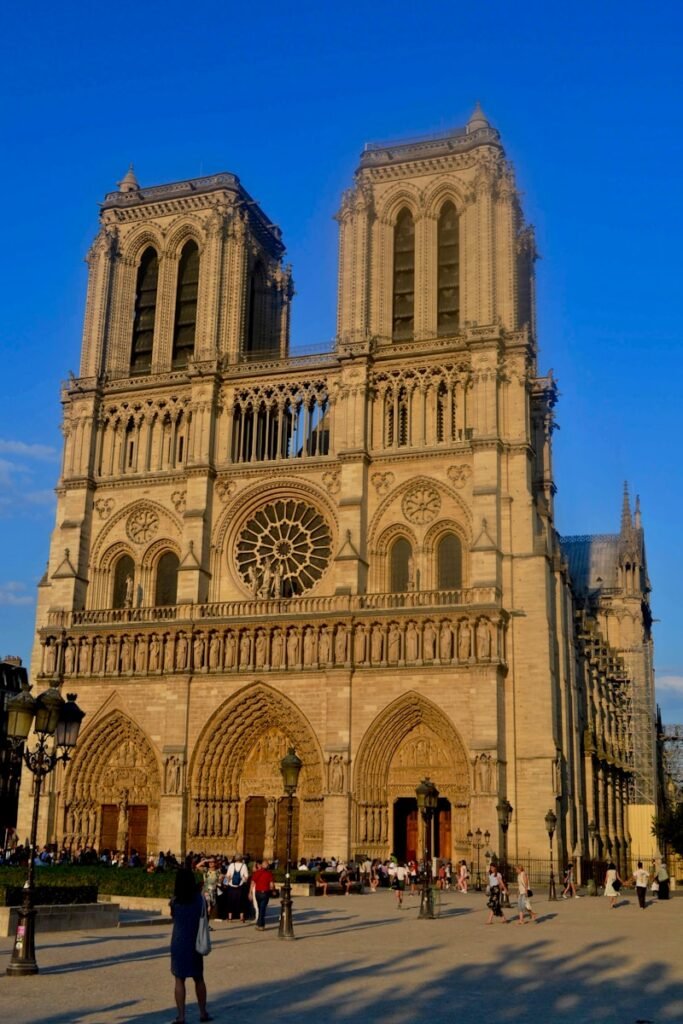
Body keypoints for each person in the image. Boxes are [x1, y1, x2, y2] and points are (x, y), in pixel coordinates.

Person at [169, 867, 213, 1024]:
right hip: (195, 942)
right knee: (199, 978)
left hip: (179, 942)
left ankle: (181, 1016)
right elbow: (206, 916)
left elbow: (174, 917)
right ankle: (203, 1012)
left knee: (179, 980)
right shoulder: (199, 900)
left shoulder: (174, 901)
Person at [250, 859, 275, 930]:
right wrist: (273, 890)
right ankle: (261, 925)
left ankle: (259, 924)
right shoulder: (269, 874)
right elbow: (271, 885)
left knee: (260, 908)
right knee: (262, 909)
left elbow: (252, 883)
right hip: (265, 893)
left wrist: (250, 892)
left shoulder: (257, 872)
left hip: (257, 893)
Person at [225, 856, 250, 921]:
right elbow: (246, 877)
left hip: (231, 886)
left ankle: (230, 917)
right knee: (241, 901)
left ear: (235, 859)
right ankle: (241, 917)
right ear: (241, 859)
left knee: (230, 901)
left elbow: (227, 875)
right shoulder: (244, 866)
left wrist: (228, 882)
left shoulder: (231, 865)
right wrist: (243, 880)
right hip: (240, 886)